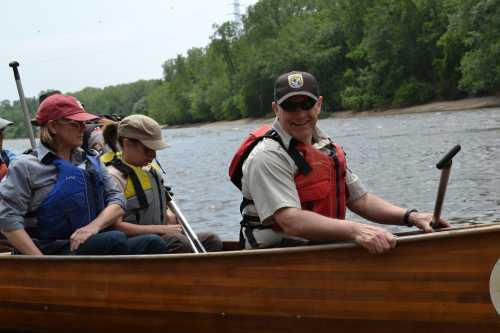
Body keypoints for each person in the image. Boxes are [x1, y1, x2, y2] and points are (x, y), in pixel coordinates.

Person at [229, 71, 450, 253]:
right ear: (276, 109)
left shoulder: (326, 147)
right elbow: (290, 221)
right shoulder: (267, 156)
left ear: (319, 104)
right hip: (276, 258)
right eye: (290, 107)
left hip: (320, 250)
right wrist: (355, 231)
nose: (300, 114)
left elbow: (360, 200)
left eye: (307, 104)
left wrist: (411, 217)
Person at [0, 94, 168, 255]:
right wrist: (42, 264)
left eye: (83, 123)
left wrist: (94, 226)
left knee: (153, 243)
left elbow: (117, 199)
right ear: (53, 127)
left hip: (91, 240)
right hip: (50, 250)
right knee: (114, 239)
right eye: (75, 124)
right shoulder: (25, 166)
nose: (83, 128)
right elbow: (8, 219)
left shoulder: (91, 160)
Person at [102, 115, 222, 253]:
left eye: (155, 149)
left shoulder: (151, 172)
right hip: (136, 243)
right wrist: (160, 229)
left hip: (161, 235)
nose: (153, 155)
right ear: (128, 144)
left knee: (212, 241)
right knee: (179, 242)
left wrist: (169, 214)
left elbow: (160, 205)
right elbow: (115, 227)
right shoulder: (114, 178)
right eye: (148, 149)